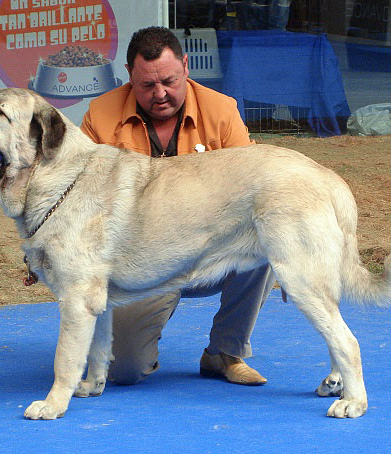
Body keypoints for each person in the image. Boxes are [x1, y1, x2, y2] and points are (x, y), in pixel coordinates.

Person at [80, 26, 276, 387]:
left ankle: (224, 352)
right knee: (123, 370)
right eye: (147, 86)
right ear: (129, 77)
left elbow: (250, 187)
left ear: (186, 67)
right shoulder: (99, 116)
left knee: (263, 233)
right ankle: (138, 349)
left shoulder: (222, 110)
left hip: (210, 251)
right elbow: (83, 202)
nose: (160, 94)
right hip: (139, 264)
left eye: (169, 81)